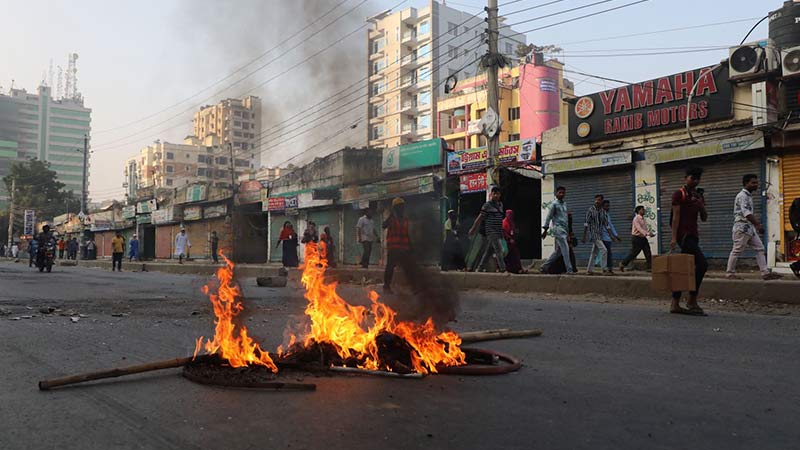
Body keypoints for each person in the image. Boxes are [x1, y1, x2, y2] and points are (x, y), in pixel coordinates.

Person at [725, 174, 782, 280]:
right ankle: (730, 273)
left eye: (756, 182)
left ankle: (765, 273)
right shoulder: (742, 196)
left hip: (748, 227)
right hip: (742, 227)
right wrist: (758, 225)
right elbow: (746, 213)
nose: (756, 185)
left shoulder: (748, 196)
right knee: (737, 250)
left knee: (760, 248)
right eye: (753, 182)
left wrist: (754, 226)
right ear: (746, 183)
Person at [669, 167, 709, 316]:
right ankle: (691, 300)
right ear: (686, 178)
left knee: (684, 268)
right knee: (702, 264)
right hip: (683, 236)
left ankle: (675, 303)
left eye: (698, 178)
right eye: (693, 178)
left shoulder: (698, 195)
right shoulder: (680, 194)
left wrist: (701, 205)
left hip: (694, 235)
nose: (696, 181)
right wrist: (674, 238)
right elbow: (675, 217)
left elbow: (704, 218)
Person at [469, 187, 507, 273]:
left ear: (500, 195)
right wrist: (473, 229)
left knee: (489, 252)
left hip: (498, 231)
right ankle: (503, 269)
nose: (496, 195)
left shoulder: (501, 205)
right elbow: (479, 218)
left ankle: (480, 268)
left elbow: (500, 220)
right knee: (498, 249)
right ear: (491, 194)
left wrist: (501, 233)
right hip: (491, 231)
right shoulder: (487, 205)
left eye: (498, 193)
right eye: (494, 193)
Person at [382, 197, 415, 294]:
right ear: (395, 208)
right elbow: (383, 225)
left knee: (408, 267)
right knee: (390, 267)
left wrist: (410, 246)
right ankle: (386, 287)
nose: (402, 208)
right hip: (393, 248)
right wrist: (390, 216)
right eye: (399, 207)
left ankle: (414, 287)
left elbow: (406, 234)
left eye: (402, 206)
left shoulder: (405, 219)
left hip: (404, 248)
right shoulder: (392, 218)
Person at [540, 186, 575, 274]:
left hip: (564, 230)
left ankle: (544, 266)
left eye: (563, 193)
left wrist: (568, 232)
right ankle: (569, 270)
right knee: (565, 249)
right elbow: (549, 217)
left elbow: (565, 219)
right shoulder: (554, 204)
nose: (562, 194)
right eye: (560, 192)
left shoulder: (564, 204)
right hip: (558, 229)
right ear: (556, 193)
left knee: (558, 252)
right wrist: (545, 230)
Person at [582, 194, 613, 275]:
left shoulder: (603, 212)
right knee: (604, 250)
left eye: (599, 200)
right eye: (596, 200)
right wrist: (584, 236)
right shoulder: (591, 210)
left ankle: (589, 270)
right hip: (593, 234)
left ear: (602, 201)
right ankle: (604, 269)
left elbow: (607, 225)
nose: (597, 201)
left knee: (594, 253)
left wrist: (611, 235)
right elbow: (586, 223)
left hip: (599, 234)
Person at [620, 206, 655, 271]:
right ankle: (623, 263)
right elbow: (639, 229)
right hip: (636, 238)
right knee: (634, 253)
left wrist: (649, 233)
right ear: (638, 211)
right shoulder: (636, 219)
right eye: (642, 209)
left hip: (643, 238)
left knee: (648, 252)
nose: (644, 210)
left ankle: (649, 268)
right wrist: (647, 234)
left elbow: (644, 229)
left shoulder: (643, 219)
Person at [595, 200, 621, 272]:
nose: (608, 207)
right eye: (606, 206)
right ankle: (606, 268)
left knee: (605, 252)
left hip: (607, 237)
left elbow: (610, 225)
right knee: (606, 252)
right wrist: (612, 236)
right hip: (602, 237)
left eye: (608, 206)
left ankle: (607, 268)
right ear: (602, 206)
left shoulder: (607, 215)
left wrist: (616, 235)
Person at [502, 210, 526, 274]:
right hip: (506, 242)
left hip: (511, 242)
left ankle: (518, 268)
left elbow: (513, 231)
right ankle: (506, 269)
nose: (509, 216)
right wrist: (509, 239)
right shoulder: (504, 222)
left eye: (510, 214)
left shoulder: (511, 222)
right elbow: (504, 232)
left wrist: (515, 235)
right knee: (507, 255)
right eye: (508, 214)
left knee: (516, 255)